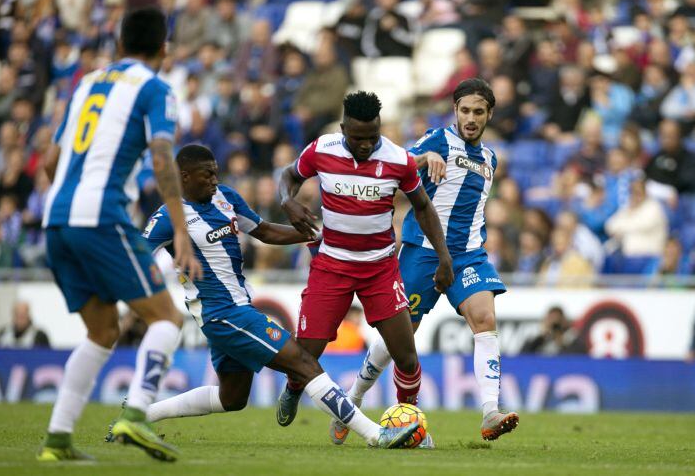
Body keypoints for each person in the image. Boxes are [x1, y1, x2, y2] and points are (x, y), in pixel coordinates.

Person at [124, 144, 418, 450]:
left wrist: (318, 234)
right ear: (184, 176)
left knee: (232, 397)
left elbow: (264, 231)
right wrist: (152, 298)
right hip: (223, 314)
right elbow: (138, 257)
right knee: (304, 363)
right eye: (207, 174)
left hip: (236, 309)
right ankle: (375, 434)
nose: (214, 179)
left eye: (216, 172)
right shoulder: (168, 217)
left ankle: (140, 412)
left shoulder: (226, 197)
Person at [36, 8, 202, 463]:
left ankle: (58, 438)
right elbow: (164, 155)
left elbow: (50, 161)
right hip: (101, 217)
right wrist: (181, 231)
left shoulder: (86, 82)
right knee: (166, 316)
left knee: (102, 330)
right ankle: (137, 412)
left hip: (56, 219)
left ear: (120, 44)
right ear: (163, 49)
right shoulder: (155, 88)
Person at [337, 79, 519, 444]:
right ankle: (353, 398)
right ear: (454, 110)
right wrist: (421, 159)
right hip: (423, 252)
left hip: (468, 255)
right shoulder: (437, 141)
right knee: (397, 341)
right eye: (465, 110)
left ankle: (489, 412)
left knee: (485, 318)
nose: (470, 118)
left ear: (489, 115)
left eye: (478, 112)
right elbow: (393, 164)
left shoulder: (490, 159)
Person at [275, 91, 454, 445]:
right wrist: (287, 201)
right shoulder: (321, 150)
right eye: (357, 138)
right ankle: (294, 386)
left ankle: (411, 425)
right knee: (306, 353)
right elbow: (288, 175)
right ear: (343, 129)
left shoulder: (398, 159)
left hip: (380, 268)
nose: (365, 144)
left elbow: (423, 208)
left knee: (406, 355)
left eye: (372, 136)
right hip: (332, 265)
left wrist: (444, 256)